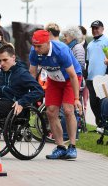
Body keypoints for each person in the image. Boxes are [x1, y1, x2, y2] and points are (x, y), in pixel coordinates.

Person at [29, 30, 82, 160]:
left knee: (68, 110)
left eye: (39, 46)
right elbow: (32, 72)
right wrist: (30, 93)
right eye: (34, 46)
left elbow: (73, 75)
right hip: (54, 80)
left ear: (48, 43)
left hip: (71, 79)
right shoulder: (34, 52)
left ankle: (72, 147)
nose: (36, 49)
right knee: (51, 112)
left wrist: (76, 98)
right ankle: (60, 147)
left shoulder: (61, 50)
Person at [86, 20, 108, 130]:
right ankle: (100, 124)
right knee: (93, 103)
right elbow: (88, 61)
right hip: (91, 79)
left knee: (104, 103)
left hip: (102, 78)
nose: (95, 30)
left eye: (97, 28)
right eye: (93, 28)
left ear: (102, 29)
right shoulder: (90, 44)